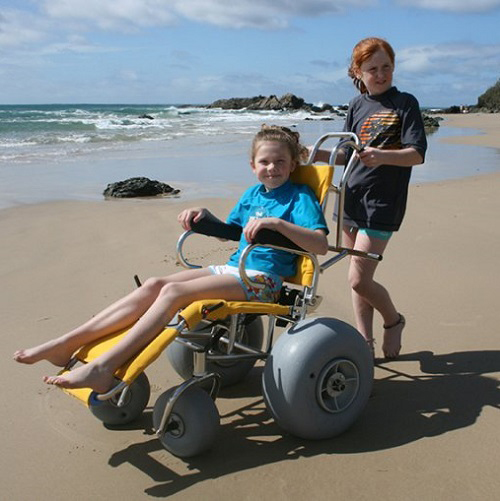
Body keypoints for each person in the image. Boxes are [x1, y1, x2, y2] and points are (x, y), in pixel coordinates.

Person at [13, 125, 329, 393]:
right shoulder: (252, 195)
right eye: (265, 162)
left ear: (291, 165)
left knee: (174, 294)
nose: (272, 168)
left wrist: (276, 224)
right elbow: (230, 233)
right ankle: (68, 344)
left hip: (264, 280)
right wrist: (202, 218)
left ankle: (104, 366)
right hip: (234, 269)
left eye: (280, 162)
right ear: (252, 165)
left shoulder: (299, 196)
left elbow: (320, 244)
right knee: (154, 285)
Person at [311, 37, 427, 359]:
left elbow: (416, 154)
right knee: (359, 280)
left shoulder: (405, 103)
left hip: (382, 204)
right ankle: (365, 347)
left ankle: (393, 321)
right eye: (372, 69)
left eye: (386, 67)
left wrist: (382, 156)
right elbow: (346, 154)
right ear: (358, 72)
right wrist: (312, 153)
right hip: (351, 199)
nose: (380, 74)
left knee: (359, 279)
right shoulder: (356, 105)